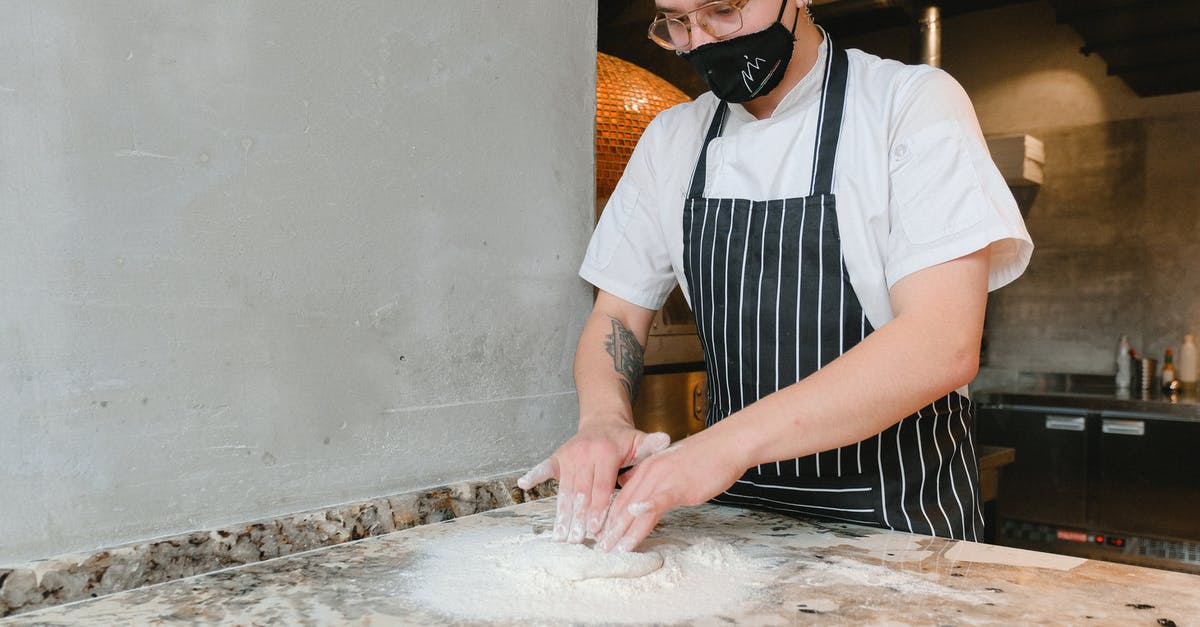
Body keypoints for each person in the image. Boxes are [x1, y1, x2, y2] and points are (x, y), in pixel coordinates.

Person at [519, 0, 1033, 553]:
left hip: (897, 520)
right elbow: (616, 312)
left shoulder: (907, 103)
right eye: (677, 22)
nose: (702, 39)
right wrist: (602, 419)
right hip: (734, 529)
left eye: (722, 9)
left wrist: (719, 448)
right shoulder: (672, 139)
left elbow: (940, 343)